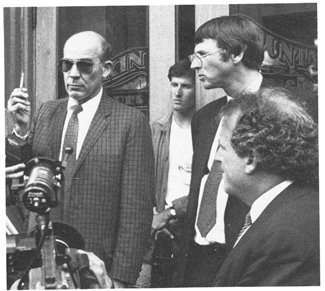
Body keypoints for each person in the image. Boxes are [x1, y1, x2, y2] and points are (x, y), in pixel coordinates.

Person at [7, 30, 155, 288]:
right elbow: (23, 177)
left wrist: (120, 279)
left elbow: (136, 210)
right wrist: (20, 131)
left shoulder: (130, 122)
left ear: (106, 69)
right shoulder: (46, 112)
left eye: (84, 65)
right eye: (67, 64)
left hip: (98, 267)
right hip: (43, 260)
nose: (73, 73)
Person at [174, 14, 270, 287]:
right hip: (198, 264)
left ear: (236, 52)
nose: (194, 64)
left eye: (202, 54)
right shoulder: (204, 118)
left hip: (251, 265)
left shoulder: (285, 112)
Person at [212, 87, 319, 286]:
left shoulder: (284, 238)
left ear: (251, 159)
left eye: (222, 147)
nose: (217, 158)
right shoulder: (291, 208)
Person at [136, 59, 195, 287]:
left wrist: (170, 213)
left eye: (186, 86)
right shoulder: (155, 130)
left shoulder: (203, 130)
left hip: (190, 230)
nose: (178, 93)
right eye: (174, 85)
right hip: (158, 232)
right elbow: (141, 181)